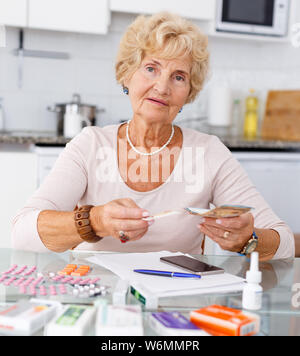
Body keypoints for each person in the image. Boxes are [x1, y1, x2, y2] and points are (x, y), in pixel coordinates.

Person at [12, 12, 294, 261]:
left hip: (178, 301)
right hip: (99, 296)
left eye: (179, 77)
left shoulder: (209, 152)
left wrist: (248, 239)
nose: (162, 87)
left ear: (189, 93)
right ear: (126, 75)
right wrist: (93, 221)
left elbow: (284, 243)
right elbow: (22, 233)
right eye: (151, 68)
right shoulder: (90, 144)